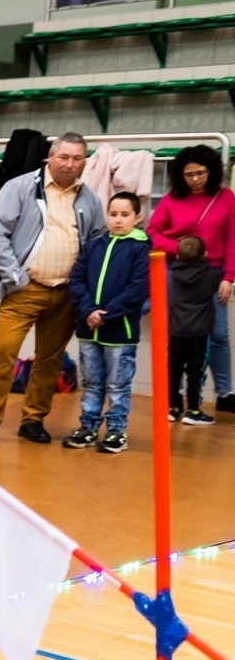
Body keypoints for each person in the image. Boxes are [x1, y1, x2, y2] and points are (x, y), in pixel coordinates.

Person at [0, 132, 104, 444]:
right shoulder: (19, 187)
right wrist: (14, 277)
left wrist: (84, 286)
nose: (69, 165)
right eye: (64, 157)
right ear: (50, 156)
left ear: (84, 162)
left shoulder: (90, 199)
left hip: (66, 294)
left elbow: (98, 243)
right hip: (24, 289)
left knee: (50, 359)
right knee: (4, 353)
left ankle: (33, 419)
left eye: (77, 159)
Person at [147, 144, 235, 415]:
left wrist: (229, 277)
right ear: (179, 175)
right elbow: (152, 233)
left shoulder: (226, 197)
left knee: (218, 335)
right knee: (179, 336)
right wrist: (181, 249)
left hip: (212, 273)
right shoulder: (172, 199)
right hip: (176, 273)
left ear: (212, 171)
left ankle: (226, 392)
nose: (195, 179)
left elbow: (232, 240)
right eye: (189, 174)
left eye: (201, 173)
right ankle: (178, 395)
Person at [62, 192, 149, 454]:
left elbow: (136, 290)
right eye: (113, 214)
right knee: (91, 382)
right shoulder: (94, 245)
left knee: (118, 384)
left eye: (125, 215)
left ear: (138, 217)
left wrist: (106, 314)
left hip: (118, 332)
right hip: (89, 329)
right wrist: (88, 310)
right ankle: (88, 427)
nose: (118, 220)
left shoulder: (141, 248)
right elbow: (76, 279)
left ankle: (116, 432)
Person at [166, 235, 220, 426]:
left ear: (178, 256)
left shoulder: (173, 275)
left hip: (176, 331)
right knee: (196, 372)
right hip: (200, 332)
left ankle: (173, 408)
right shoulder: (212, 275)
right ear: (205, 255)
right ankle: (193, 410)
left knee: (173, 370)